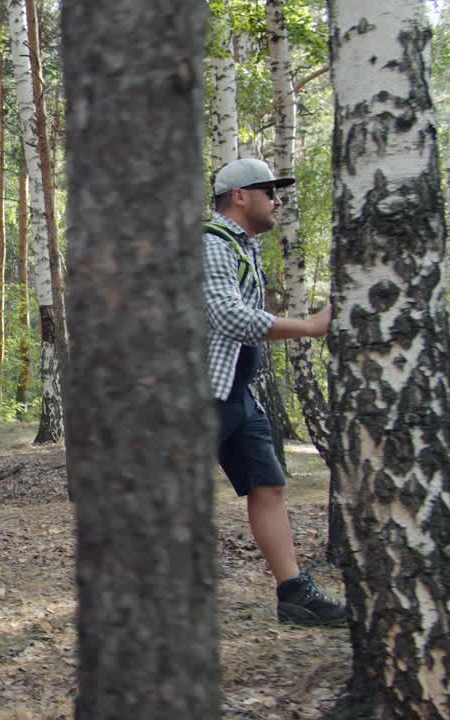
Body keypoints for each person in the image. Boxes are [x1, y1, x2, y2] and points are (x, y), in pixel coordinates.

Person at [204, 158, 345, 626]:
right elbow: (230, 317)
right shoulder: (211, 244)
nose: (277, 200)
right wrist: (308, 326)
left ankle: (294, 595)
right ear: (240, 196)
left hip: (237, 394)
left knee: (268, 486)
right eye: (269, 191)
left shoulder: (244, 247)